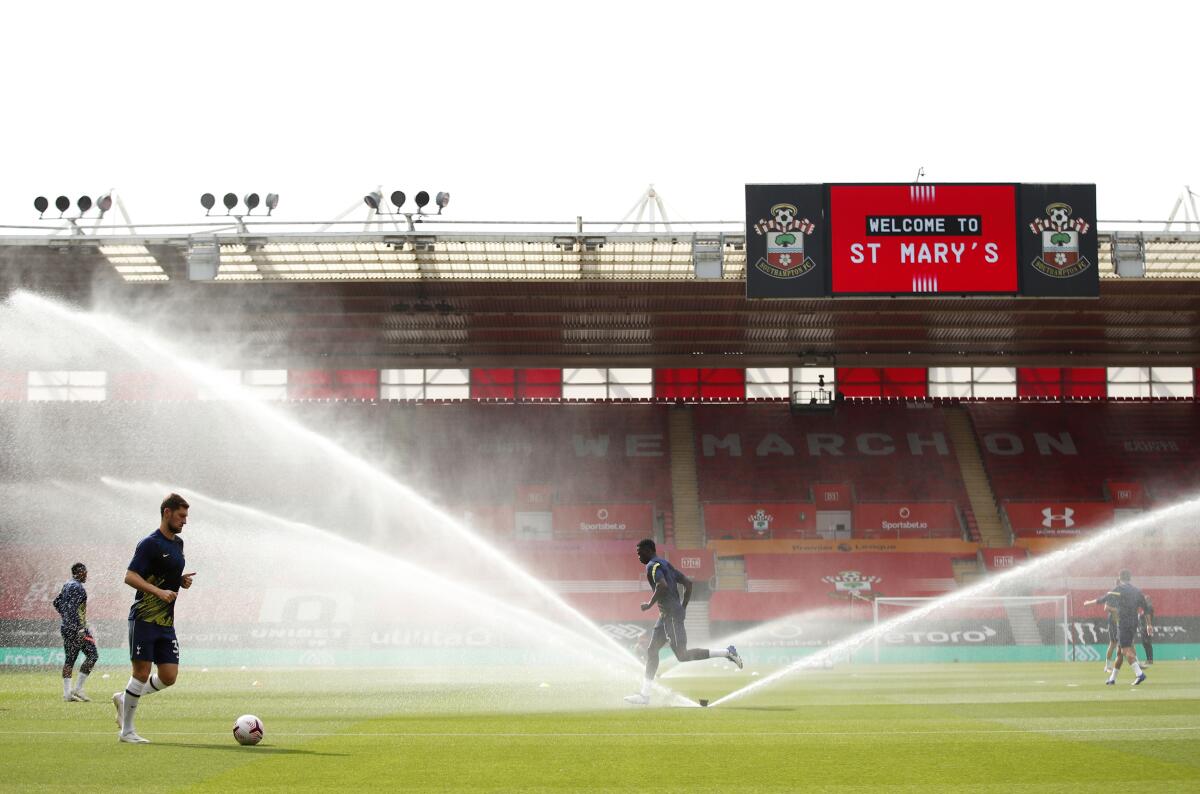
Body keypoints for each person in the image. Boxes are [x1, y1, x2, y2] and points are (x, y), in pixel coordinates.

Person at [112, 493, 196, 743]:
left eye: (186, 516)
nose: (185, 521)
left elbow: (164, 573)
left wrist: (180, 581)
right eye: (181, 516)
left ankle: (124, 698)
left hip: (166, 622)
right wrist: (159, 591)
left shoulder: (178, 544)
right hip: (144, 617)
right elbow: (130, 576)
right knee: (141, 672)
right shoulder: (149, 543)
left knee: (169, 676)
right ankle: (126, 731)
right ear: (167, 513)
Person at [624, 538, 742, 705]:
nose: (638, 556)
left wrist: (649, 605)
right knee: (652, 651)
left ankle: (727, 652)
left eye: (639, 552)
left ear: (649, 550)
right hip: (666, 615)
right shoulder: (666, 564)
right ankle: (645, 695)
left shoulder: (652, 565)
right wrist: (683, 606)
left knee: (682, 655)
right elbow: (688, 583)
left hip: (670, 615)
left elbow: (662, 586)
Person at [1088, 569, 1149, 686]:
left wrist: (1089, 602)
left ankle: (1139, 674)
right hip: (1133, 623)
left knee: (1125, 650)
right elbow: (1145, 608)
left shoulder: (1119, 589)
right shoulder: (1137, 591)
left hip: (1123, 623)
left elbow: (1104, 599)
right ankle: (1112, 678)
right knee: (1120, 652)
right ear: (1130, 578)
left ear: (1120, 578)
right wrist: (1149, 625)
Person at [53, 562, 98, 702]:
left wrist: (65, 618)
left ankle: (67, 693)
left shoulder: (67, 585)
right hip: (77, 629)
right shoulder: (78, 587)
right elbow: (72, 609)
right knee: (92, 655)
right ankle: (78, 689)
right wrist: (79, 628)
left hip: (66, 627)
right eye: (85, 573)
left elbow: (56, 602)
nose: (86, 575)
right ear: (79, 572)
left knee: (70, 659)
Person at [1083, 578, 1121, 673]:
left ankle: (1135, 664)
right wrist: (1088, 603)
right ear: (1118, 584)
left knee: (1126, 643)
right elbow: (1104, 605)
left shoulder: (1124, 594)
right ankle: (1108, 666)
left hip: (1122, 621)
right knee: (1113, 644)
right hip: (1113, 621)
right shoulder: (1112, 594)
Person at [1138, 595, 1155, 665]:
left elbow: (1147, 616)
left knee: (1147, 643)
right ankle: (1149, 659)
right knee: (1145, 644)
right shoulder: (1146, 608)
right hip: (1143, 628)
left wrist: (1148, 626)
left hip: (1146, 628)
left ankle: (1150, 660)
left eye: (1145, 600)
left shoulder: (1149, 607)